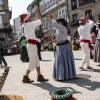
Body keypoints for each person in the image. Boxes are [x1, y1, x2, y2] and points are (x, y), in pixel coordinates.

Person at [22, 6, 48, 83]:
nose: (30, 17)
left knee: (36, 61)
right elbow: (39, 21)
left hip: (32, 45)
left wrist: (38, 40)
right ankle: (25, 77)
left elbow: (32, 36)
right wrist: (36, 12)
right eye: (29, 17)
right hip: (31, 45)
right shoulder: (29, 24)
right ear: (27, 18)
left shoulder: (27, 25)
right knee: (33, 62)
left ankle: (39, 76)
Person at [48, 14, 76, 81]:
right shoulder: (57, 30)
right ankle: (61, 75)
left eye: (59, 22)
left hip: (65, 47)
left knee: (65, 61)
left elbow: (55, 25)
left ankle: (67, 75)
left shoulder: (64, 28)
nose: (58, 23)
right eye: (57, 22)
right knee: (60, 61)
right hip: (59, 47)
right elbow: (49, 29)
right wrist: (49, 22)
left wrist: (52, 19)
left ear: (62, 23)